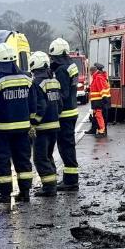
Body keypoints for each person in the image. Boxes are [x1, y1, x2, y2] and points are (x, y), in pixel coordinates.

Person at [0, 42, 36, 204]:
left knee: (2, 161)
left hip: (1, 130)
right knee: (23, 160)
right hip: (23, 129)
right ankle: (25, 192)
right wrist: (31, 121)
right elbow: (33, 103)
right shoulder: (27, 78)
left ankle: (5, 194)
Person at [28, 51, 62, 197]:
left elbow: (40, 106)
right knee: (48, 156)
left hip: (42, 128)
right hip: (54, 126)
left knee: (40, 158)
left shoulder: (36, 83)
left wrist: (33, 123)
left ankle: (49, 188)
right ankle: (52, 184)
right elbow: (60, 104)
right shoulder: (54, 82)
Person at [48, 38, 80, 191]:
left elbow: (63, 93)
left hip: (65, 114)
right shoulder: (71, 65)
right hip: (72, 110)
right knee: (68, 146)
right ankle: (70, 179)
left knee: (65, 147)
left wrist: (52, 104)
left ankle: (71, 181)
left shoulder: (61, 70)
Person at [88, 62, 111, 138]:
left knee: (99, 116)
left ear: (92, 71)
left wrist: (104, 98)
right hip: (97, 101)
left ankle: (102, 131)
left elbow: (102, 88)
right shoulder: (97, 77)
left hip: (98, 101)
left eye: (90, 72)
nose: (90, 74)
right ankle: (98, 130)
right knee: (97, 116)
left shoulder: (98, 77)